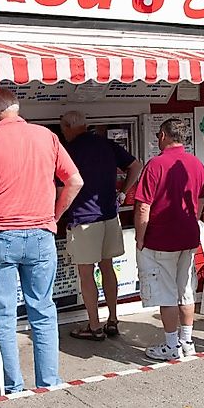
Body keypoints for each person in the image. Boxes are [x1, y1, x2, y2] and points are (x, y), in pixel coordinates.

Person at [0, 87, 84, 393]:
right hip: (41, 235)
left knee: (3, 315)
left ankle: (12, 388)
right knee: (42, 309)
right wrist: (53, 217)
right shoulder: (46, 136)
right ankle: (48, 383)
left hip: (0, 235)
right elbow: (74, 181)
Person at [59, 111, 143, 341]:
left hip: (84, 220)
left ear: (67, 127)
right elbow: (136, 166)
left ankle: (94, 326)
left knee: (86, 273)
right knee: (108, 267)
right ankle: (113, 319)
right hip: (109, 216)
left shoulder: (69, 151)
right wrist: (123, 193)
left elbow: (61, 189)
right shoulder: (106, 144)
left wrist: (57, 213)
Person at [133, 119, 204, 360]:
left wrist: (140, 238)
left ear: (163, 135)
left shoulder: (155, 165)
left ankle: (171, 345)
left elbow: (143, 206)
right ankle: (187, 341)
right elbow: (201, 199)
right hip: (188, 237)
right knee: (186, 290)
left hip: (162, 239)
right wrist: (192, 221)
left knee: (167, 294)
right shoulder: (196, 164)